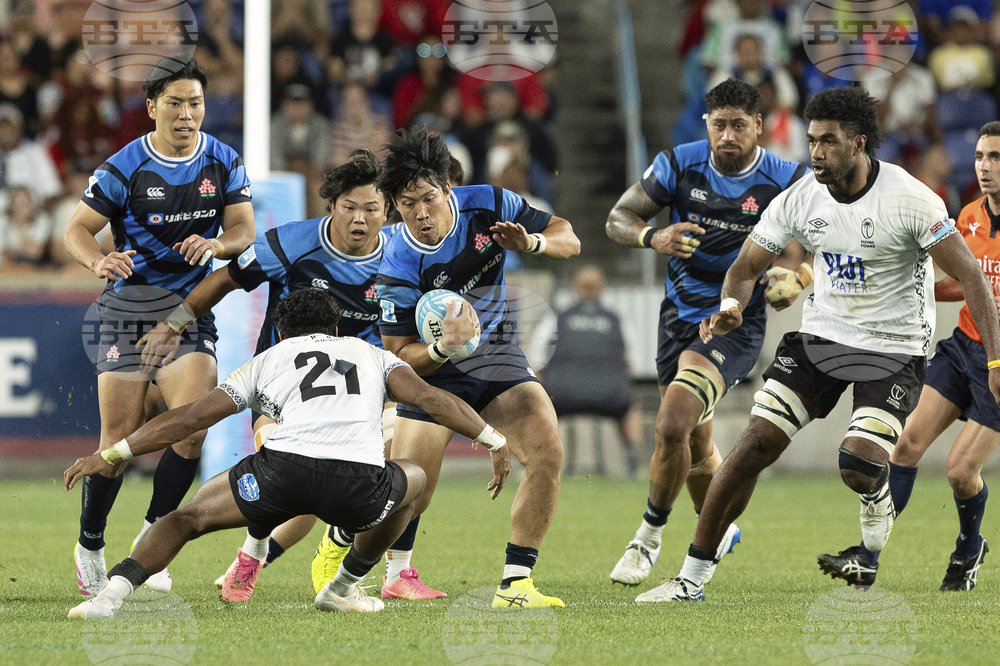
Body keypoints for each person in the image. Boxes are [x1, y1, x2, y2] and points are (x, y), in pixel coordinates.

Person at [641, 85, 1000, 603]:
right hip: (821, 338)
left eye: (827, 142)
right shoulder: (801, 197)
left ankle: (875, 493)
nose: (814, 153)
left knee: (856, 462)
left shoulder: (911, 199)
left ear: (858, 143)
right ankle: (690, 578)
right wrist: (730, 307)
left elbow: (972, 277)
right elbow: (744, 268)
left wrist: (994, 357)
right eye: (811, 141)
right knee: (749, 449)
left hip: (893, 348)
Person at [65, 289, 511, 619]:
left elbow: (190, 418)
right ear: (336, 330)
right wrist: (494, 439)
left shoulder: (267, 359)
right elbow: (433, 400)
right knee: (413, 478)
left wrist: (114, 452)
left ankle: (109, 597)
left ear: (280, 332)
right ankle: (344, 585)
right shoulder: (371, 353)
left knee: (187, 518)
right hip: (358, 487)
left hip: (280, 476)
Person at [137, 150, 390, 600]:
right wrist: (172, 324)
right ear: (331, 206)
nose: (360, 218)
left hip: (355, 391)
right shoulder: (290, 243)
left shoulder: (399, 261)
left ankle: (261, 554)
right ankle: (254, 550)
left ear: (386, 211)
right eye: (349, 207)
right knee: (291, 477)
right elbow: (225, 280)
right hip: (280, 383)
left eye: (371, 208)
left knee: (327, 490)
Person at [63, 57, 255, 600]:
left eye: (195, 103)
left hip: (189, 309)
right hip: (127, 306)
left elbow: (244, 228)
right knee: (119, 440)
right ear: (152, 109)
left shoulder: (223, 160)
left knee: (192, 427)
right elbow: (77, 229)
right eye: (175, 103)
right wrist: (97, 262)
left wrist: (218, 244)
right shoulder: (125, 166)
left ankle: (152, 536)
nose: (187, 113)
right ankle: (90, 545)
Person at [604, 78, 807, 588]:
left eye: (740, 125)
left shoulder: (786, 177)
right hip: (677, 317)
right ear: (707, 125)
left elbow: (825, 239)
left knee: (672, 422)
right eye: (720, 125)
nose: (728, 135)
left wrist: (796, 275)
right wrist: (654, 235)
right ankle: (719, 532)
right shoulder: (677, 164)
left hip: (735, 321)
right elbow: (617, 218)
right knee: (693, 441)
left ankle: (647, 539)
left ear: (759, 126)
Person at [375, 125, 580, 607]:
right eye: (407, 204)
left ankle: (516, 584)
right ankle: (381, 568)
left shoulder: (488, 203)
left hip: (495, 353)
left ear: (449, 188)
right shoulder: (396, 261)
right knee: (410, 490)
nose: (421, 214)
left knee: (547, 450)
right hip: (432, 372)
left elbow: (567, 237)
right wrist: (445, 349)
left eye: (428, 197)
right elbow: (400, 354)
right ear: (394, 206)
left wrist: (531, 244)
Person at [819, 121, 1000, 591]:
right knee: (903, 446)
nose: (985, 167)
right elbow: (961, 284)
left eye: (996, 158)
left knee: (961, 472)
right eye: (981, 156)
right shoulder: (970, 217)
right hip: (964, 348)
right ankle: (868, 558)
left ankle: (969, 546)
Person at [532, 266, 642, 477]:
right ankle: (632, 459)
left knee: (537, 405)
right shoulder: (617, 320)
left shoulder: (555, 318)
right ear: (602, 289)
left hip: (561, 397)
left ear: (576, 289)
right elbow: (631, 366)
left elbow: (537, 362)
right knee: (630, 409)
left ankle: (536, 458)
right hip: (610, 397)